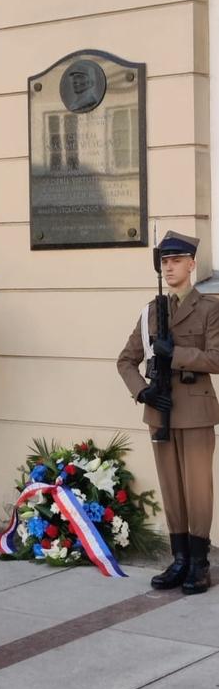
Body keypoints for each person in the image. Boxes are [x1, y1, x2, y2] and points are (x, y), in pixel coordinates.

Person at [117, 231, 219, 595]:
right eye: (165, 261)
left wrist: (172, 354)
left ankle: (199, 562)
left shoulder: (210, 309)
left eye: (177, 261)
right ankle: (178, 560)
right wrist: (142, 391)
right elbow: (126, 360)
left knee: (197, 490)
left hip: (194, 410)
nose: (170, 267)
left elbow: (216, 358)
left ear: (192, 265)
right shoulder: (150, 313)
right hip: (159, 410)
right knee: (172, 488)